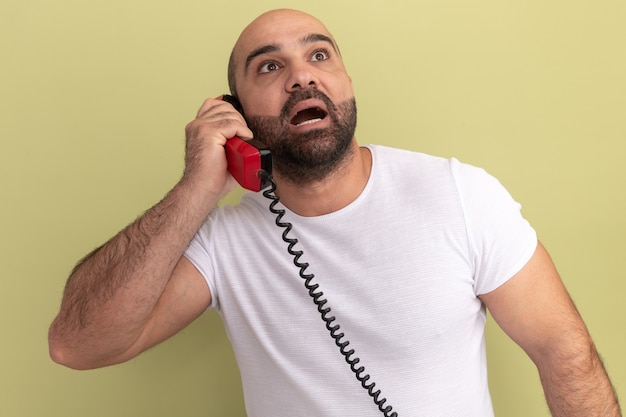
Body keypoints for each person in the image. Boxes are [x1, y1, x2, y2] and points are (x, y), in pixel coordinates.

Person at [48, 8, 621, 417]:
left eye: (319, 55)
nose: (301, 75)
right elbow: (77, 344)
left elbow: (563, 350)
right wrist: (198, 186)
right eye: (268, 67)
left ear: (345, 83)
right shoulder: (223, 240)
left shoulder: (459, 195)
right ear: (237, 113)